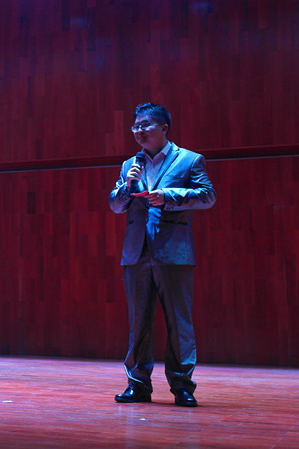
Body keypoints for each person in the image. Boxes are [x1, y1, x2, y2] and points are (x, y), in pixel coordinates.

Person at [108, 103, 216, 407]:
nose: (139, 131)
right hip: (136, 253)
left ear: (164, 128)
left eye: (145, 125)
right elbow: (115, 205)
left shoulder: (190, 160)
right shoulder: (130, 164)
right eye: (135, 126)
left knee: (179, 322)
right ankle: (138, 384)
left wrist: (168, 197)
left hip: (173, 252)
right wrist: (128, 186)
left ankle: (182, 386)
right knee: (137, 323)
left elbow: (207, 196)